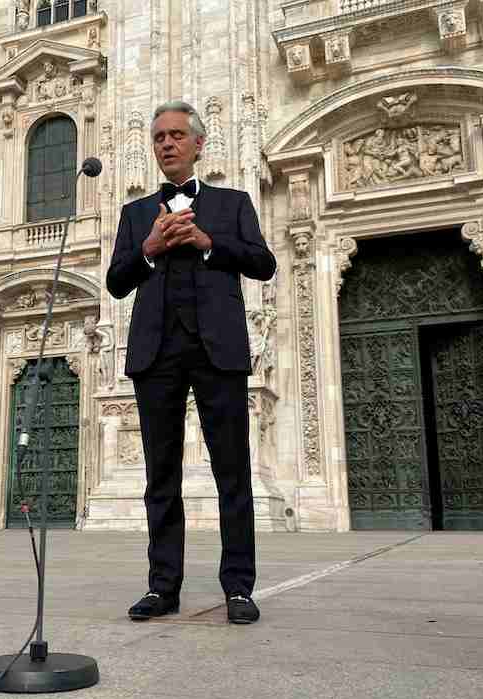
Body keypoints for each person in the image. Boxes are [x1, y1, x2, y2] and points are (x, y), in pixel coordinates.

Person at [106, 100, 277, 625]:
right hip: (156, 352)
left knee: (233, 472)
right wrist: (150, 248)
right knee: (160, 476)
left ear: (199, 144)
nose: (167, 144)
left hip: (217, 348)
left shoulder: (232, 203)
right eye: (159, 137)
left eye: (177, 135)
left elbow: (263, 264)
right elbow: (116, 282)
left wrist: (207, 243)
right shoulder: (136, 215)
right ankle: (163, 587)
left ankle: (239, 588)